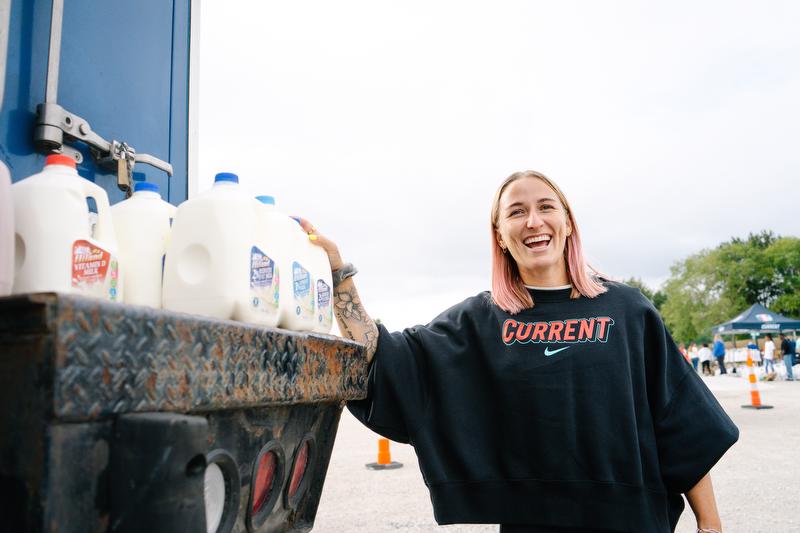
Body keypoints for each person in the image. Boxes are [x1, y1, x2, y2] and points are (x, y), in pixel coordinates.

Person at [301, 170, 738, 533]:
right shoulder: (479, 320)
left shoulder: (629, 309)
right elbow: (386, 360)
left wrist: (710, 523)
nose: (534, 220)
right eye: (517, 211)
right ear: (501, 234)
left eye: (546, 206)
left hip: (633, 519)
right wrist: (340, 273)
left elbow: (681, 425)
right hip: (534, 521)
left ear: (568, 222)